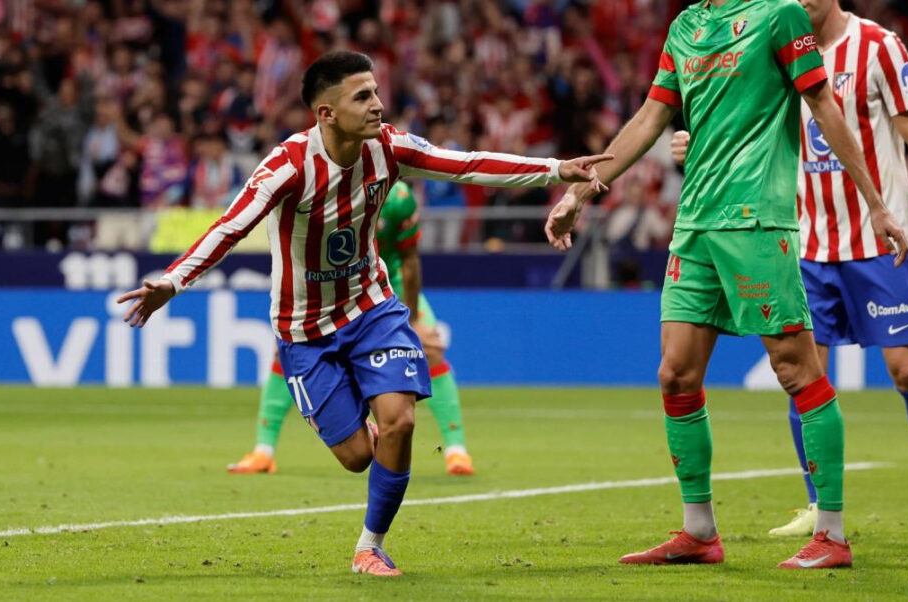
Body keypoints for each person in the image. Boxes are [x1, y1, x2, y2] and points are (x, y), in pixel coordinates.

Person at [118, 50, 610, 577]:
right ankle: (367, 436)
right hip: (304, 329)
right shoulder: (287, 167)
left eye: (375, 92)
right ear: (326, 113)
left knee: (400, 421)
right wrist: (174, 281)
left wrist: (555, 170)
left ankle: (369, 547)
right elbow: (230, 227)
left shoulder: (388, 147)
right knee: (357, 456)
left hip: (371, 307)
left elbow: (466, 164)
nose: (377, 104)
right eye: (362, 96)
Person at [545, 0, 908, 569]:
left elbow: (823, 106)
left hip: (756, 222)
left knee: (797, 369)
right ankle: (699, 531)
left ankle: (833, 535)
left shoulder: (780, 15)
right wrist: (580, 191)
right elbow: (649, 118)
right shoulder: (686, 26)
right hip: (694, 226)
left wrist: (876, 204)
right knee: (675, 373)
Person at [671, 0, 908, 538]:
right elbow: (741, 123)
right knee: (802, 371)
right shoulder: (768, 41)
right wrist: (695, 140)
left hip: (875, 241)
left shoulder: (880, 47)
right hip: (804, 241)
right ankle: (819, 506)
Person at [229, 181, 476, 477]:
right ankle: (263, 451)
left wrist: (412, 319)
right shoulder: (321, 187)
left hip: (388, 286)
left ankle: (456, 450)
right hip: (332, 292)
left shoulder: (397, 197)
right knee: (283, 355)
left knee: (430, 348)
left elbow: (409, 259)